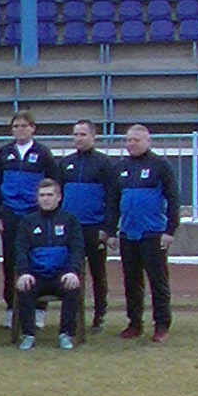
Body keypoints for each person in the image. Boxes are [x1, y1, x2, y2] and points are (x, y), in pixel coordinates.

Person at [107, 123, 181, 343]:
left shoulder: (160, 165)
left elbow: (173, 198)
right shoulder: (120, 167)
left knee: (158, 282)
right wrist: (111, 231)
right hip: (128, 234)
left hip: (153, 233)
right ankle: (135, 323)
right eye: (128, 140)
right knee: (131, 282)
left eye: (136, 140)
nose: (131, 144)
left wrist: (170, 229)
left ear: (147, 142)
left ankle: (161, 325)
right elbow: (112, 202)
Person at [0, 111, 58, 310]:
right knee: (10, 260)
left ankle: (38, 308)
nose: (19, 130)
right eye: (16, 126)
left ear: (32, 128)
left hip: (34, 213)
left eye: (23, 126)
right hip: (10, 212)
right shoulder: (4, 153)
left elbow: (53, 183)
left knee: (36, 259)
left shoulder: (43, 153)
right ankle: (12, 306)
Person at [12, 178, 86, 350]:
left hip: (61, 274)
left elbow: (77, 249)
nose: (46, 199)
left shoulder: (70, 221)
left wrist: (73, 271)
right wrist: (24, 272)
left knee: (72, 287)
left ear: (58, 197)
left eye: (50, 195)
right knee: (24, 287)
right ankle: (28, 334)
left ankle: (65, 334)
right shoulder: (28, 221)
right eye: (42, 195)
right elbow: (21, 250)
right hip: (36, 275)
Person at [60, 119, 118, 330]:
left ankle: (99, 315)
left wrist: (109, 229)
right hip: (70, 228)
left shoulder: (104, 163)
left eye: (83, 134)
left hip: (94, 227)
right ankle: (72, 315)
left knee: (97, 273)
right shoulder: (65, 163)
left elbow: (112, 198)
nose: (78, 138)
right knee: (70, 271)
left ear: (94, 136)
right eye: (75, 134)